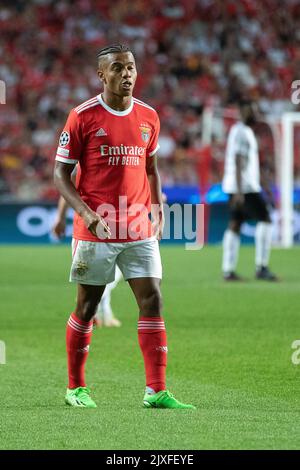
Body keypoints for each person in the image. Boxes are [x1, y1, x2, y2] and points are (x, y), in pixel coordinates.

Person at [54, 44, 195, 409]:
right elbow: (60, 174)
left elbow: (151, 168)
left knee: (153, 301)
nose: (127, 74)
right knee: (87, 307)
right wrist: (86, 215)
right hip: (96, 230)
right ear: (102, 74)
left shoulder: (149, 116)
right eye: (118, 68)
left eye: (131, 67)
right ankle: (75, 388)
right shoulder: (82, 117)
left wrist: (157, 207)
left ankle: (156, 389)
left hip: (137, 229)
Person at [52, 178, 122, 328]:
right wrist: (60, 218)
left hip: (114, 224)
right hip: (98, 226)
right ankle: (90, 305)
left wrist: (60, 217)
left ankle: (104, 314)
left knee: (110, 273)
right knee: (107, 274)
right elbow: (67, 186)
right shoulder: (86, 164)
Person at [222, 99, 278, 281]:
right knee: (266, 218)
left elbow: (249, 164)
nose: (255, 114)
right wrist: (239, 191)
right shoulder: (241, 132)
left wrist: (266, 186)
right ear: (243, 112)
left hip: (240, 185)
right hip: (243, 187)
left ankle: (228, 270)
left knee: (235, 223)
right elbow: (238, 160)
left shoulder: (244, 132)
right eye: (252, 110)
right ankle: (261, 267)